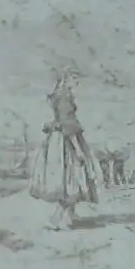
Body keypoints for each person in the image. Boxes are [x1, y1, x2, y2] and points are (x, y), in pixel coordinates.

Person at [29, 67, 99, 229]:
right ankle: (57, 219)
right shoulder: (65, 97)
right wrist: (78, 150)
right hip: (66, 141)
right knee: (71, 179)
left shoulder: (58, 95)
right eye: (74, 78)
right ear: (66, 79)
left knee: (70, 180)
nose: (77, 82)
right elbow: (68, 125)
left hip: (58, 140)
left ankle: (69, 217)